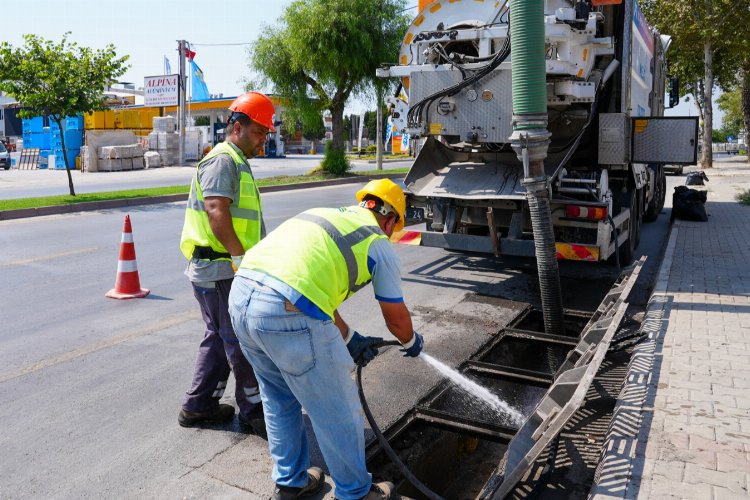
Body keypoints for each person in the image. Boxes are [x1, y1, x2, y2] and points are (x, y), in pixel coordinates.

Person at [228, 179, 424, 500]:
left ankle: (290, 483)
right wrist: (411, 341)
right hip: (285, 309)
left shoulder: (325, 216)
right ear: (390, 220)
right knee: (338, 408)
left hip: (242, 297)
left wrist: (349, 338)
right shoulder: (377, 242)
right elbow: (397, 320)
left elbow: (313, 289)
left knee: (279, 397)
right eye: (394, 228)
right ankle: (356, 493)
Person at [177, 91, 276, 432]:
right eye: (260, 132)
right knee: (240, 340)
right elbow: (216, 212)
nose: (264, 140)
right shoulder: (223, 161)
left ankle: (199, 405)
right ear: (238, 126)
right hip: (221, 267)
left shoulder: (235, 160)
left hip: (220, 267)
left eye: (266, 133)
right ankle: (254, 412)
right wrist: (240, 259)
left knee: (219, 337)